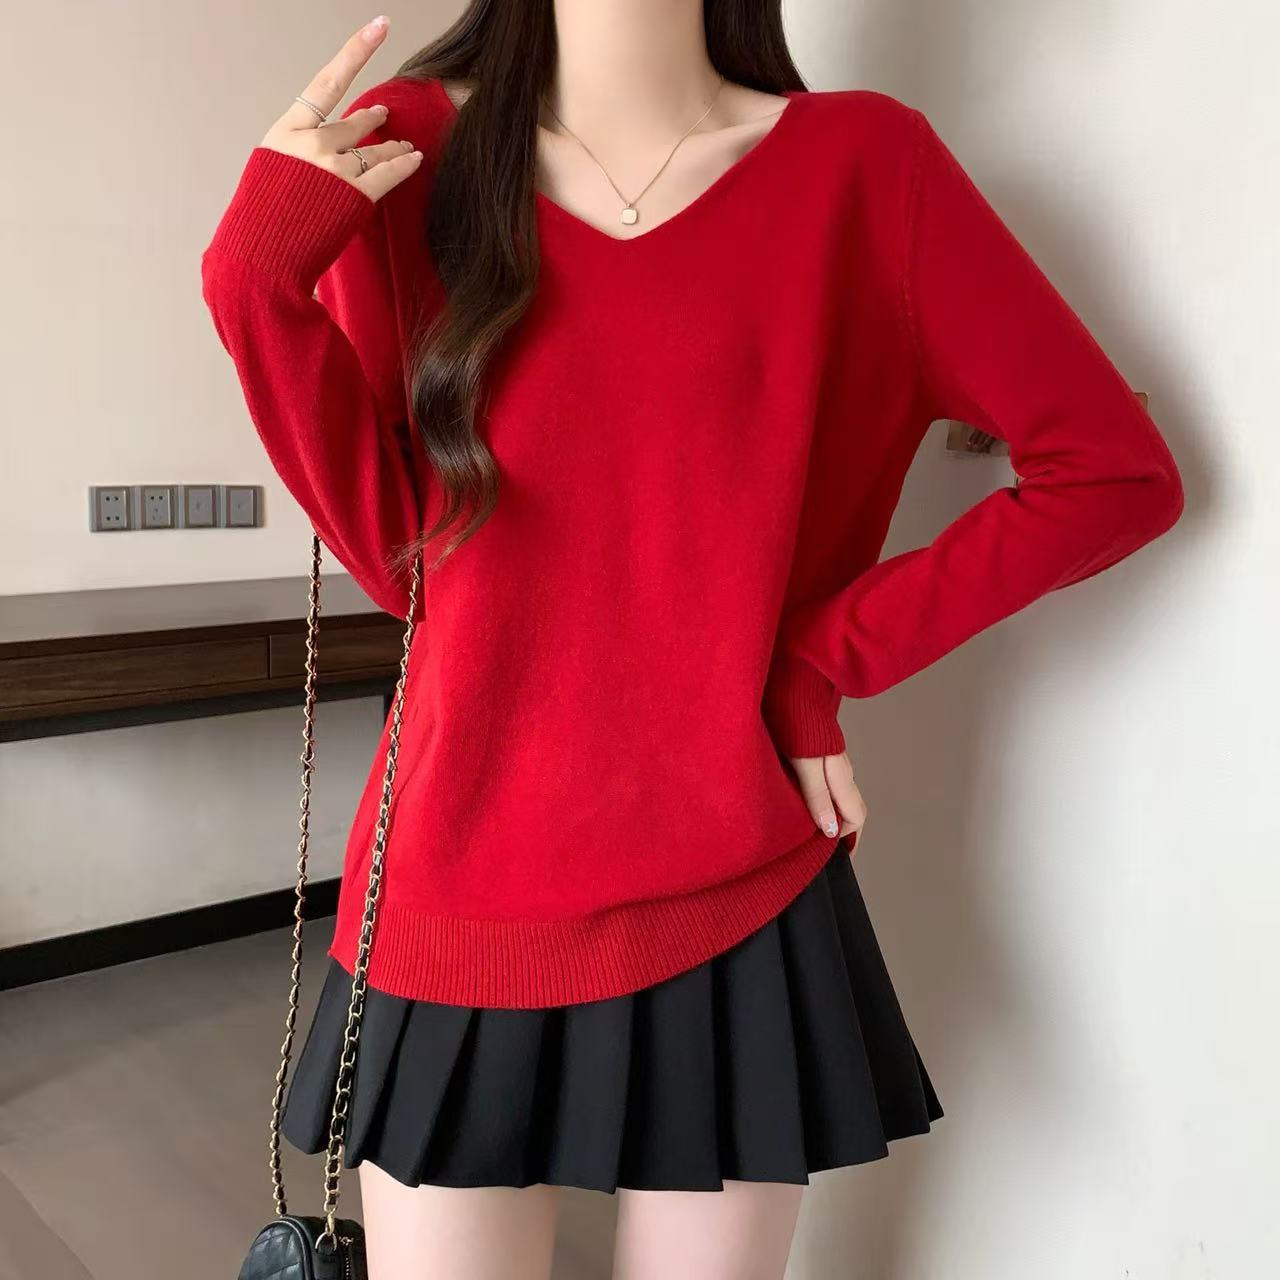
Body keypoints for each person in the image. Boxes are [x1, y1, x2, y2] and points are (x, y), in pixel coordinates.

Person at [201, 4, 1184, 1277]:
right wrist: (252, 282)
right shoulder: (410, 150)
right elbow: (410, 567)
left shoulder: (863, 167)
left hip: (732, 878)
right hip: (461, 872)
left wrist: (820, 657)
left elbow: (1108, 471)